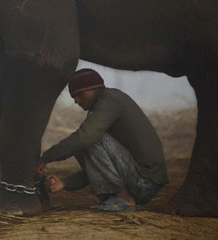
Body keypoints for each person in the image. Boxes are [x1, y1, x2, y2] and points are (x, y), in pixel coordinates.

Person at [37, 68, 168, 211]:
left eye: (78, 94)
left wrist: (46, 157)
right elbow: (100, 168)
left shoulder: (110, 99)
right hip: (139, 182)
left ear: (92, 89)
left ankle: (124, 199)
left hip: (145, 183)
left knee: (85, 139)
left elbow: (84, 139)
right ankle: (120, 197)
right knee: (82, 143)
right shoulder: (103, 106)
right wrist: (64, 183)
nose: (76, 101)